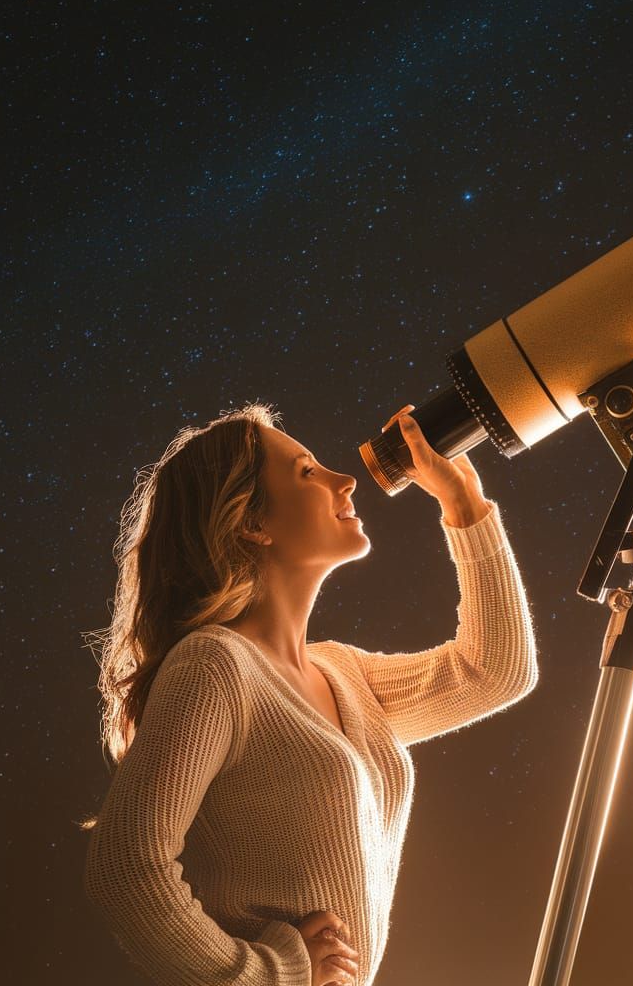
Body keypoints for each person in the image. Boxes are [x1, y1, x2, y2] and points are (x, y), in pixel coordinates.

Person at [82, 401, 538, 986]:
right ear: (253, 523)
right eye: (307, 472)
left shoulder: (341, 671)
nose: (345, 480)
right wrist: (270, 974)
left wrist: (464, 502)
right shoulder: (215, 666)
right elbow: (126, 866)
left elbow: (495, 671)